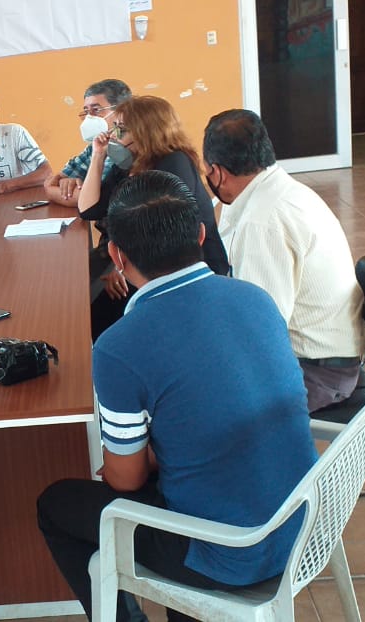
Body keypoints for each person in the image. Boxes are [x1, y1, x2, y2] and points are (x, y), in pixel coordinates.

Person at [37, 171, 317, 622]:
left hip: (229, 556)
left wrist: (137, 458)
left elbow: (124, 480)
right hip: (303, 526)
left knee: (56, 505)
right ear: (201, 235)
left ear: (116, 256)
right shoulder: (256, 298)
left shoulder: (118, 346)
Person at [203, 109, 365, 412]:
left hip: (317, 374)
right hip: (325, 359)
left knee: (197, 399)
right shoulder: (281, 191)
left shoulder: (263, 221)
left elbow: (262, 330)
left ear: (217, 173)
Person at [77, 95, 230, 339]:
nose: (114, 135)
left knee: (99, 314)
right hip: (143, 260)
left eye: (121, 129)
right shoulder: (131, 162)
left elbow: (162, 233)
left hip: (182, 267)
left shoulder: (174, 163)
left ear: (144, 131)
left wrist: (120, 267)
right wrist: (98, 156)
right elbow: (89, 209)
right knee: (88, 306)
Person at [44, 78, 132, 208]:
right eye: (86, 112)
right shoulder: (96, 146)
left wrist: (53, 192)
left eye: (96, 110)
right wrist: (66, 184)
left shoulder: (129, 147)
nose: (89, 117)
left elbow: (97, 201)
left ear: (121, 111)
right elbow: (53, 181)